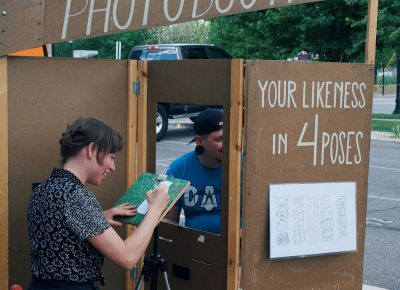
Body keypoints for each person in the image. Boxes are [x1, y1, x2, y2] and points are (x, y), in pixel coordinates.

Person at [27, 117, 169, 290]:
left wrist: (99, 216)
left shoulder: (44, 188)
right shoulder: (76, 196)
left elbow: (60, 228)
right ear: (92, 149)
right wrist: (155, 209)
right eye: (111, 157)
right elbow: (127, 257)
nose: (112, 167)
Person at [164, 108, 223, 234]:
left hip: (238, 248)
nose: (228, 144)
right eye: (220, 139)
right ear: (199, 141)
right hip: (195, 247)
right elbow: (169, 218)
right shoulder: (178, 170)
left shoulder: (245, 167)